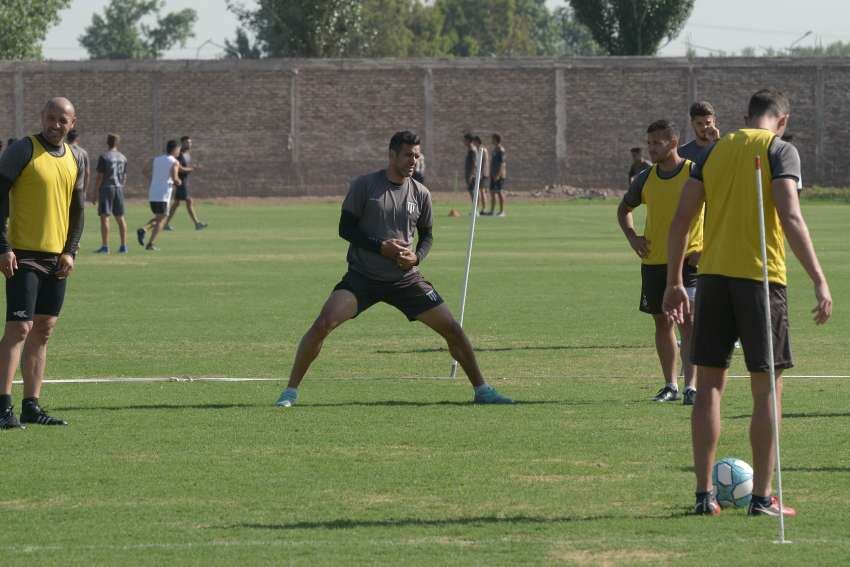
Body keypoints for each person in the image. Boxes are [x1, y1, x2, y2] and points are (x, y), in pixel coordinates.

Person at [663, 89, 832, 516]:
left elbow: (682, 219)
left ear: (745, 116)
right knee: (766, 392)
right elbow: (791, 214)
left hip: (714, 281)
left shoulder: (712, 152)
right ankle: (761, 497)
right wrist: (819, 278)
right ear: (783, 119)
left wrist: (673, 281)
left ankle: (704, 497)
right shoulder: (781, 149)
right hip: (761, 281)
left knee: (708, 388)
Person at [275, 131, 513, 408]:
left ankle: (482, 391)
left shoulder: (421, 193)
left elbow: (427, 237)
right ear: (392, 155)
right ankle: (290, 392)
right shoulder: (365, 186)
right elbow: (345, 228)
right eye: (407, 155)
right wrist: (381, 247)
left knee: (452, 329)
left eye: (416, 155)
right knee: (322, 324)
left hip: (405, 280)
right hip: (362, 278)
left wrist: (416, 258)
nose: (413, 160)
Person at [0, 97, 86, 429]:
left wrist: (71, 250)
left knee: (44, 330)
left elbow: (78, 209)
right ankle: (3, 407)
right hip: (22, 255)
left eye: (62, 120)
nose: (55, 125)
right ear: (42, 117)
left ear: (72, 122)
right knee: (19, 328)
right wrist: (3, 245)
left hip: (56, 257)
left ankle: (31, 406)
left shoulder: (77, 158)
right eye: (50, 118)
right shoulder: (23, 149)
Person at [618, 120, 702, 405]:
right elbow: (624, 208)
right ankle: (670, 385)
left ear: (673, 142)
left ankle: (692, 387)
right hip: (654, 263)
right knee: (663, 323)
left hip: (690, 262)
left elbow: (720, 210)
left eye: (657, 143)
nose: (651, 148)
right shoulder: (645, 178)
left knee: (689, 324)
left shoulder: (695, 173)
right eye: (649, 143)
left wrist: (708, 247)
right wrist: (633, 237)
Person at [137, 140, 180, 251]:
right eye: (178, 149)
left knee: (160, 218)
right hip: (163, 194)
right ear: (175, 149)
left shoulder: (156, 159)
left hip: (153, 193)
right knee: (162, 219)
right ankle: (147, 237)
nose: (179, 151)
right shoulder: (174, 162)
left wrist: (154, 180)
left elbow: (144, 171)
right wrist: (179, 182)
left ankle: (148, 238)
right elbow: (175, 179)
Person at [93, 133, 128, 254]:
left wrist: (95, 192)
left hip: (106, 188)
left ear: (107, 142)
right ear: (117, 143)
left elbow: (100, 176)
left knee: (105, 217)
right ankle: (123, 246)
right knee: (120, 217)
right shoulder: (123, 157)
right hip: (118, 188)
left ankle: (105, 246)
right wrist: (121, 186)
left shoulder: (104, 156)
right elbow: (124, 176)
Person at [164, 136, 206, 231]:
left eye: (190, 142)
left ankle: (165, 223)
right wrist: (192, 168)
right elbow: (179, 168)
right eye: (187, 142)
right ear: (182, 143)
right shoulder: (178, 155)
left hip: (184, 182)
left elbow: (186, 167)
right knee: (189, 200)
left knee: (176, 204)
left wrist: (193, 167)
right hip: (180, 182)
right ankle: (197, 223)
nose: (189, 144)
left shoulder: (187, 154)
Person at [464, 133, 486, 214]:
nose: (464, 142)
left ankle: (476, 210)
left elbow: (474, 164)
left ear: (469, 140)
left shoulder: (472, 150)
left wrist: (471, 175)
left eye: (465, 140)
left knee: (474, 193)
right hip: (470, 175)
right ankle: (475, 209)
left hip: (472, 175)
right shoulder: (470, 149)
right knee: (472, 192)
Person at [488, 133, 507, 217]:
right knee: (492, 192)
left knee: (499, 192)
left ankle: (502, 211)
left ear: (496, 139)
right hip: (493, 174)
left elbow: (502, 164)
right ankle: (492, 211)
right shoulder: (495, 149)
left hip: (499, 175)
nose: (491, 140)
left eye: (492, 139)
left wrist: (498, 175)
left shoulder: (501, 150)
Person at [473, 135, 491, 214]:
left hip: (482, 174)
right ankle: (479, 208)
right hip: (479, 173)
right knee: (479, 191)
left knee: (482, 191)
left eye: (474, 141)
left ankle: (484, 208)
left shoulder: (483, 149)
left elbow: (485, 162)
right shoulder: (478, 149)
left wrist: (482, 173)